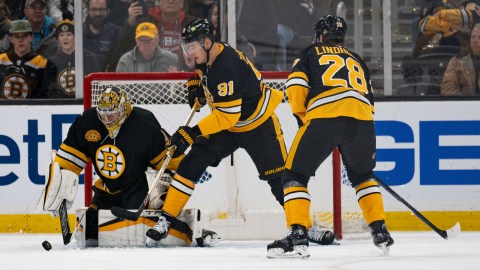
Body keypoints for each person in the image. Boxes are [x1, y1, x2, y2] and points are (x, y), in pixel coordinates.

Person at [145, 18, 334, 247]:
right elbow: (206, 78)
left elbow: (227, 116)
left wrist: (192, 133)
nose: (188, 53)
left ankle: (304, 226)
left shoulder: (227, 66)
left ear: (206, 42)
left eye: (191, 47)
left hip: (258, 126)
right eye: (186, 47)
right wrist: (196, 85)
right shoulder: (209, 55)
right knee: (191, 163)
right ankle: (166, 220)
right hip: (228, 126)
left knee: (280, 181)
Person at [266, 15, 394, 258]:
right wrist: (350, 133)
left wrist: (306, 118)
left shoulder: (310, 53)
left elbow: (295, 89)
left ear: (321, 36)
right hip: (362, 121)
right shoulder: (358, 60)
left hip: (324, 116)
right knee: (362, 176)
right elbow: (370, 102)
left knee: (294, 175)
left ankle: (298, 234)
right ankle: (379, 229)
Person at [42, 86, 219, 246]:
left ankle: (191, 232)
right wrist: (59, 183)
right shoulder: (88, 121)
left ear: (124, 109)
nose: (107, 120)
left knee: (132, 232)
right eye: (102, 115)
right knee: (91, 230)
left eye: (112, 115)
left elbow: (164, 162)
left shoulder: (143, 122)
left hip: (136, 189)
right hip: (105, 189)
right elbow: (69, 160)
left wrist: (194, 162)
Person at [0, 19, 56, 99]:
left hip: (32, 111)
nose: (20, 40)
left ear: (31, 38)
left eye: (24, 36)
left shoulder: (44, 64)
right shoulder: (1, 60)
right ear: (11, 39)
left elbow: (45, 96)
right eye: (17, 36)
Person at [441, 23, 480, 95]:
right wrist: (464, 101)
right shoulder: (457, 61)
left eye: (479, 37)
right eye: (473, 37)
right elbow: (448, 88)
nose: (475, 41)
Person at [83, 0, 121, 71]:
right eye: (93, 9)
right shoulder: (79, 33)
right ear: (87, 11)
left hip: (107, 79)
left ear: (108, 11)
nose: (97, 13)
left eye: (101, 9)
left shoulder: (117, 33)